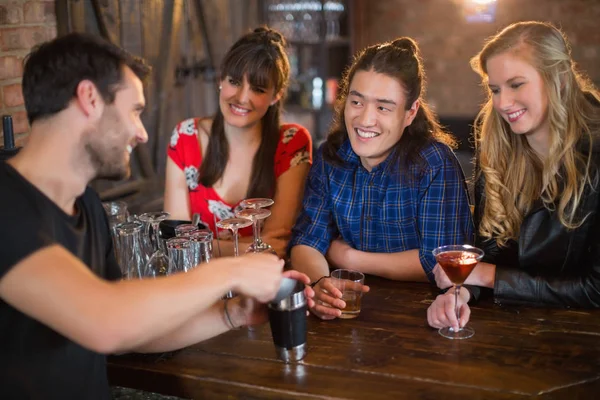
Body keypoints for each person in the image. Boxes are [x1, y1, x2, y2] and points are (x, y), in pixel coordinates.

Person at [0, 33, 314, 399]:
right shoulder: (7, 205)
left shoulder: (84, 204)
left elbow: (129, 334)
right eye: (134, 111)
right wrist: (231, 269)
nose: (143, 133)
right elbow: (107, 323)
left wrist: (232, 313)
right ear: (89, 99)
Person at [428, 21, 600, 332]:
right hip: (505, 333)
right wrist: (460, 293)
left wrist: (490, 277)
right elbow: (488, 252)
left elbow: (595, 288)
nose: (502, 103)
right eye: (494, 89)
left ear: (559, 79)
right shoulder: (496, 146)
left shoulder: (595, 154)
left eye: (517, 84)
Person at [289, 37, 474, 320]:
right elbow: (307, 240)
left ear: (410, 113)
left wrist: (349, 258)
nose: (365, 119)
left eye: (383, 108)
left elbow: (439, 263)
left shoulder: (434, 163)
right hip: (346, 318)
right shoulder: (330, 156)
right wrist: (319, 285)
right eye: (356, 101)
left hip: (419, 317)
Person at [164, 26, 312, 257]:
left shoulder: (292, 142)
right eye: (234, 81)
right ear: (221, 79)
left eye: (258, 88)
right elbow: (174, 241)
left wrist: (206, 246)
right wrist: (244, 248)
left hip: (261, 283)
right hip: (201, 283)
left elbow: (277, 246)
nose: (242, 98)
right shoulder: (185, 136)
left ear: (277, 95)